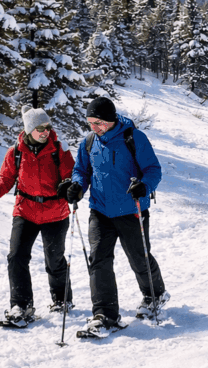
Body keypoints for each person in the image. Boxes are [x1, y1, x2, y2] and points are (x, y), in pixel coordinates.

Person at [65, 96, 169, 337]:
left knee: (139, 257)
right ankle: (105, 315)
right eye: (90, 122)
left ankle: (155, 295)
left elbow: (153, 170)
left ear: (111, 120)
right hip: (100, 210)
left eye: (99, 122)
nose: (94, 127)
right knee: (99, 260)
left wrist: (145, 185)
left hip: (131, 209)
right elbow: (81, 170)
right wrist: (78, 187)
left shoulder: (133, 138)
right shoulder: (89, 142)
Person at [0, 107, 76, 325]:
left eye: (47, 127)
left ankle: (62, 299)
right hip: (25, 211)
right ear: (29, 130)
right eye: (40, 128)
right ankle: (21, 306)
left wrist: (69, 188)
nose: (45, 132)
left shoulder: (60, 151)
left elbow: (71, 176)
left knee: (54, 260)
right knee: (16, 256)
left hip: (55, 213)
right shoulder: (15, 152)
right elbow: (5, 180)